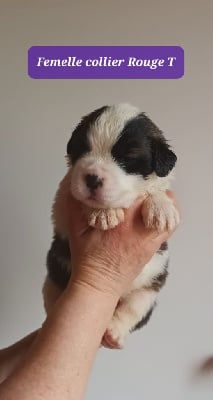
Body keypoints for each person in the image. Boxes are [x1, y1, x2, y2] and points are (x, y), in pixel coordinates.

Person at [0, 191, 179, 400]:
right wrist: (98, 282)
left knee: (140, 302)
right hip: (72, 281)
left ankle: (117, 322)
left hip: (125, 293)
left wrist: (85, 328)